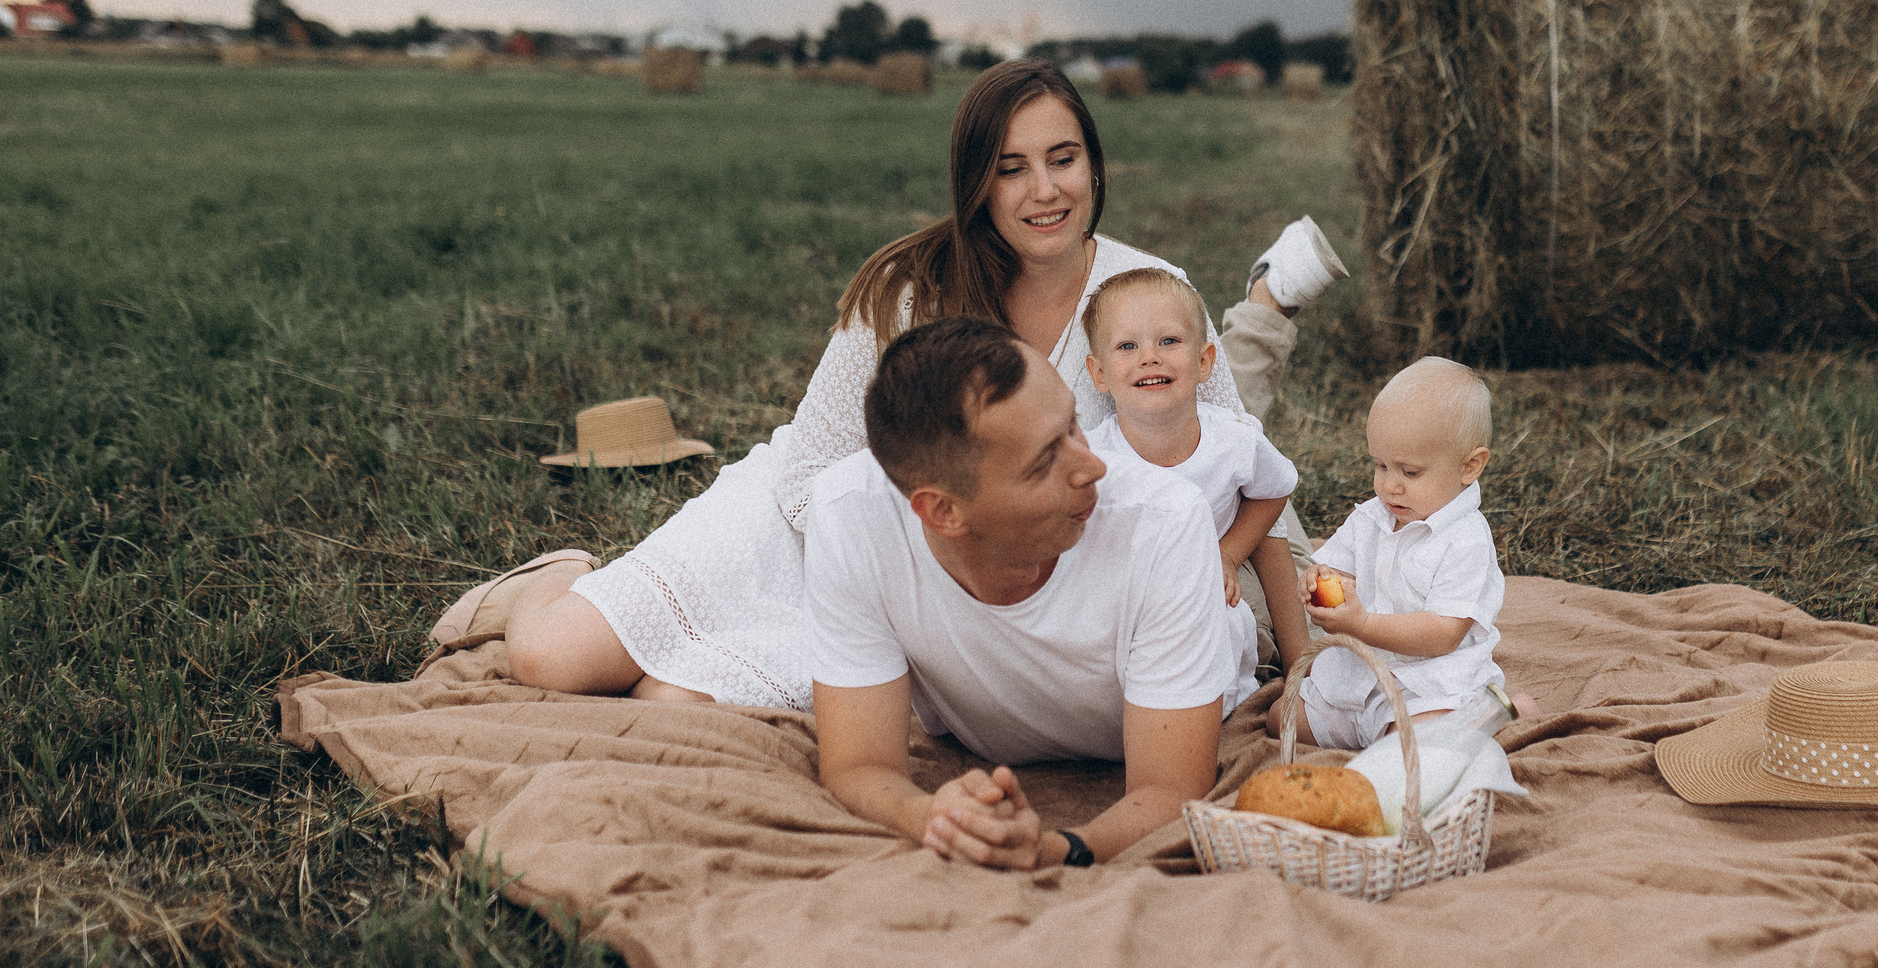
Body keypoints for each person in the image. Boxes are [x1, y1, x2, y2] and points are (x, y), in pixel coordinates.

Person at [446, 59, 1348, 710]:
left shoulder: (1143, 289)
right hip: (837, 536)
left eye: (1063, 159)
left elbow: (1222, 461)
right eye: (1011, 167)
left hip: (1003, 588)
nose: (1045, 190)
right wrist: (922, 557)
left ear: (1097, 166)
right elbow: (810, 477)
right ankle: (552, 580)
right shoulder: (910, 288)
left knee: (675, 697)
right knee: (550, 658)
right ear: (976, 184)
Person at [807, 317, 1244, 868]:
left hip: (1222, 630)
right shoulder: (852, 514)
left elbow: (1169, 787)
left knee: (1237, 447)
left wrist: (1057, 849)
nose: (1093, 466)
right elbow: (858, 764)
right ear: (942, 511)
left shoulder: (1164, 521)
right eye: (1044, 461)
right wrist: (942, 822)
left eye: (1074, 425)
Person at [1079, 266, 1312, 677]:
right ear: (1099, 374)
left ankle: (1217, 703)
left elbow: (1274, 491)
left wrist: (1228, 553)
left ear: (1204, 362)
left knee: (1231, 630)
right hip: (1130, 593)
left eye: (1168, 341)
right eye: (1127, 346)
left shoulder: (1233, 440)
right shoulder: (1095, 456)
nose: (1149, 357)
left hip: (1208, 584)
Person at [1267, 357, 1509, 750]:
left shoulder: (1465, 539)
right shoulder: (1372, 517)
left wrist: (1362, 623)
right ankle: (1373, 733)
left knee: (1417, 745)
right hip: (1356, 681)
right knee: (1282, 720)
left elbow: (1445, 634)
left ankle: (1495, 713)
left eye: (1409, 472)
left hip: (1426, 686)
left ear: (1470, 466)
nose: (1390, 486)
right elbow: (1333, 568)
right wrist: (1318, 580)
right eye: (1380, 465)